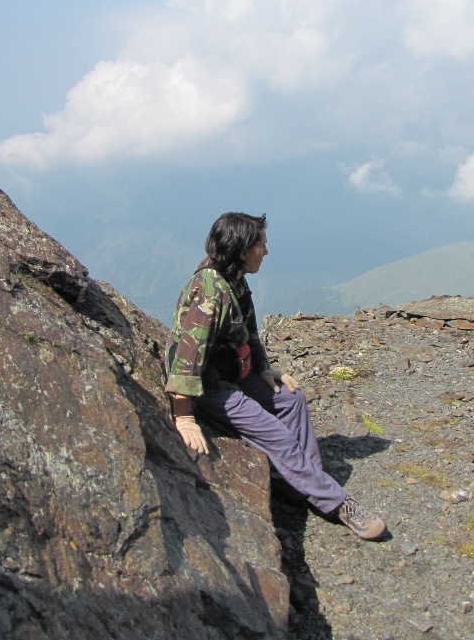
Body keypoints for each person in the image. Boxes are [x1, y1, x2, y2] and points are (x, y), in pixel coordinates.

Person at [165, 212, 387, 540]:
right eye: (261, 246)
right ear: (243, 251)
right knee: (276, 434)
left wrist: (265, 369)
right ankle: (337, 502)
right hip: (208, 385)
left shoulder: (233, 276)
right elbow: (187, 360)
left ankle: (303, 485)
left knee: (292, 399)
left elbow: (248, 331)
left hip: (234, 371)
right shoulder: (210, 294)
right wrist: (184, 417)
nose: (266, 253)